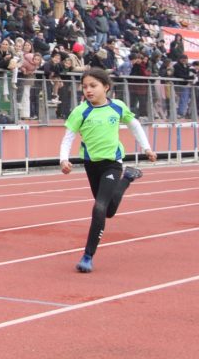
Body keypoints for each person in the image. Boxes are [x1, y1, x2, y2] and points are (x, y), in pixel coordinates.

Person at [59, 68, 156, 273]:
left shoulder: (117, 107)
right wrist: (63, 159)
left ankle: (87, 256)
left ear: (106, 87)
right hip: (91, 164)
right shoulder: (80, 111)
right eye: (85, 87)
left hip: (112, 162)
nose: (88, 90)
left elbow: (134, 125)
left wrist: (146, 147)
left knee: (100, 207)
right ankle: (128, 178)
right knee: (108, 211)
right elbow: (69, 135)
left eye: (93, 86)